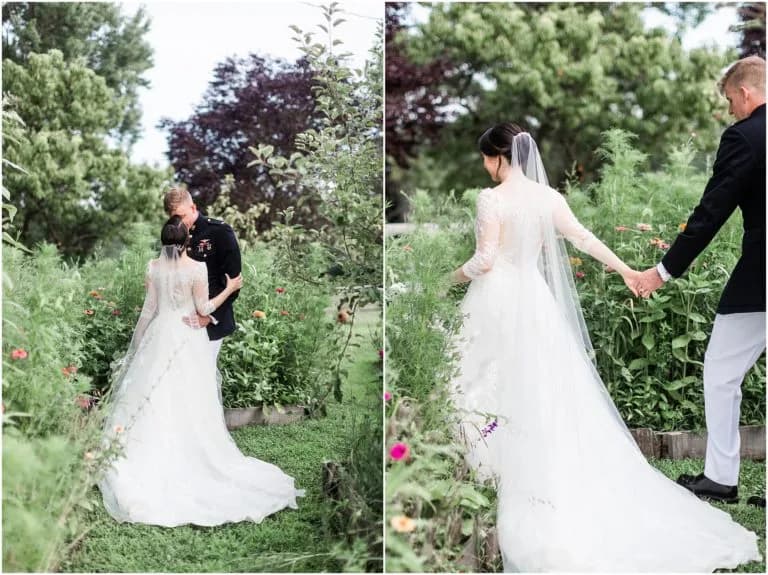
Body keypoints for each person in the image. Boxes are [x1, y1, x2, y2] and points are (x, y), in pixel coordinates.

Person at [448, 123, 760, 571]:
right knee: (540, 388)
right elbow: (585, 239)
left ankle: (486, 470)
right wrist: (629, 271)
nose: (484, 166)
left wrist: (445, 279)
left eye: (485, 157)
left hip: (497, 300)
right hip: (534, 303)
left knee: (481, 380)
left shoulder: (491, 199)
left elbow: (484, 260)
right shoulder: (548, 198)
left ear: (498, 156)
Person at [98, 216, 303, 526]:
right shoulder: (197, 268)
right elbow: (204, 309)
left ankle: (148, 453)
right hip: (187, 336)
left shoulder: (153, 268)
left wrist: (138, 345)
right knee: (191, 397)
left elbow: (149, 310)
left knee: (153, 395)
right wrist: (230, 288)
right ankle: (190, 452)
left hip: (159, 336)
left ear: (163, 241)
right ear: (186, 242)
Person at [636, 56, 766, 506]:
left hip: (761, 278)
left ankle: (721, 478)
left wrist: (663, 270)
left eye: (730, 100)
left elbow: (711, 212)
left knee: (722, 371)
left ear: (745, 93)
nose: (730, 110)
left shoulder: (745, 137)